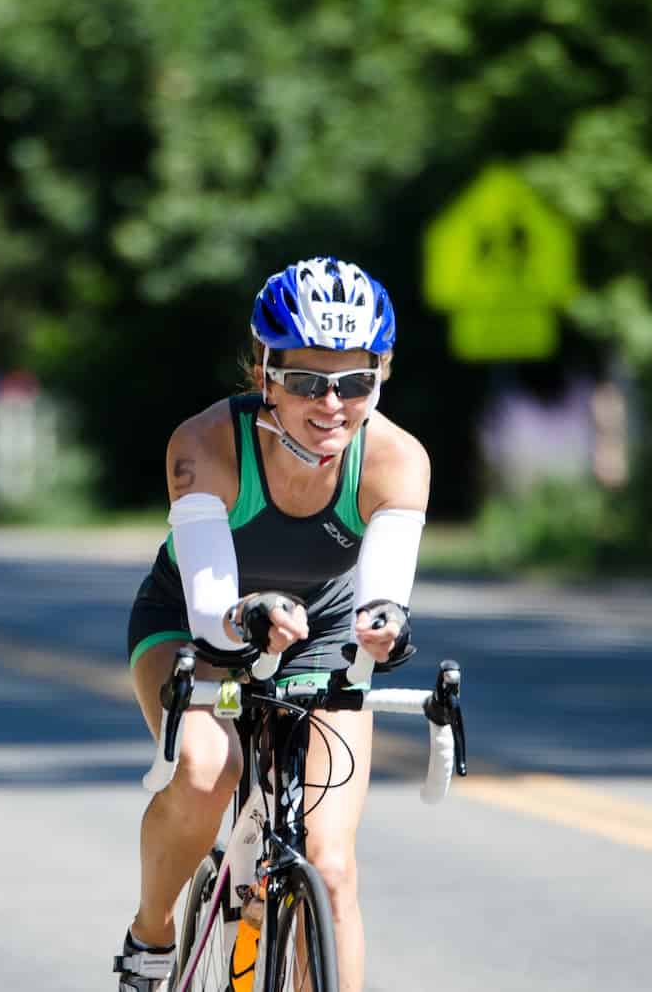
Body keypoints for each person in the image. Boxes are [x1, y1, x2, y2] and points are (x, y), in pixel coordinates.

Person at [114, 257, 431, 992]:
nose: (332, 406)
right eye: (306, 382)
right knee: (206, 769)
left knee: (331, 863)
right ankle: (152, 935)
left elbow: (381, 595)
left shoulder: (396, 458)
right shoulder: (204, 446)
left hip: (321, 631)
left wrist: (385, 626)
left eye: (355, 383)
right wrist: (243, 619)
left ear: (380, 377)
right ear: (265, 372)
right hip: (194, 620)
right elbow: (212, 612)